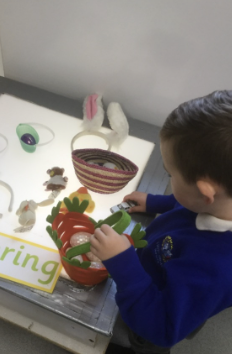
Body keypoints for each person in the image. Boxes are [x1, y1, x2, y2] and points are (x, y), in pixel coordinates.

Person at [90, 90, 232, 354]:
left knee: (146, 340)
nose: (167, 178)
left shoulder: (215, 269)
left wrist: (123, 264)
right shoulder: (222, 202)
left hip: (156, 316)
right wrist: (157, 202)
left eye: (169, 174)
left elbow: (164, 326)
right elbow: (189, 205)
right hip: (158, 265)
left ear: (205, 192)